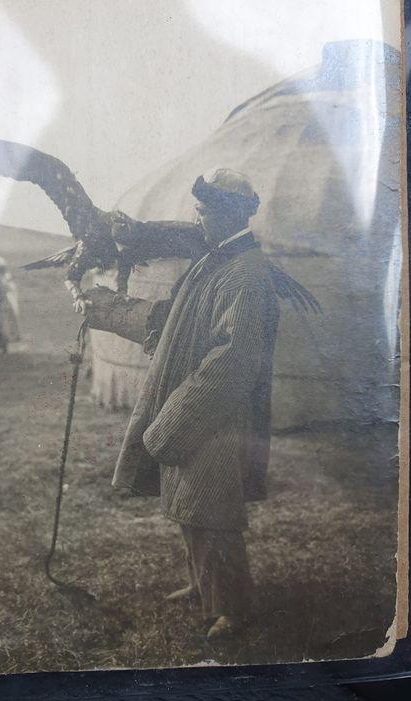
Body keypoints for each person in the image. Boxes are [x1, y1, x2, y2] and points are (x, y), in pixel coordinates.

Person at [85, 167, 280, 639]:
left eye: (204, 210)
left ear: (228, 214)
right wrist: (110, 310)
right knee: (190, 503)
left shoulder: (245, 274)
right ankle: (202, 586)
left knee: (213, 510)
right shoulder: (213, 260)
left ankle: (233, 609)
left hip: (217, 412)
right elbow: (179, 321)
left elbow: (233, 361)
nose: (197, 217)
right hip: (195, 404)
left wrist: (177, 416)